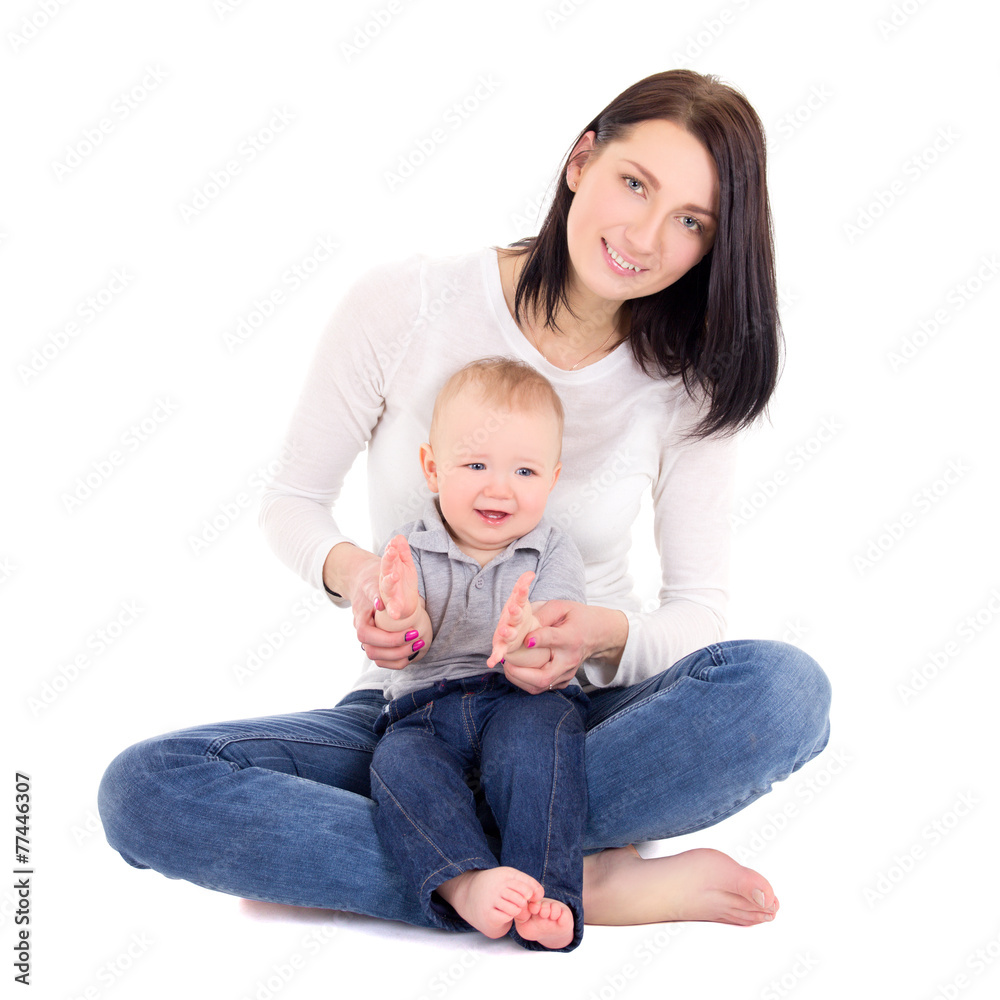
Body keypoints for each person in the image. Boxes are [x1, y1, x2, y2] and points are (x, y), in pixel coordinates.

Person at [98, 69, 832, 934]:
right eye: (635, 183)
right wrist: (365, 580)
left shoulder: (687, 387)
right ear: (581, 159)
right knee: (148, 789)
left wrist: (595, 633)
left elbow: (699, 615)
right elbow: (292, 503)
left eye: (691, 222)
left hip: (576, 716)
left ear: (713, 246)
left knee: (783, 690)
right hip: (407, 719)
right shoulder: (406, 303)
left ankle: (432, 867)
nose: (644, 234)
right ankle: (572, 877)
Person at [369, 356, 590, 952]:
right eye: (475, 465)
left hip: (520, 699)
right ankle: (465, 880)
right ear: (432, 469)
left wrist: (525, 633)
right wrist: (399, 610)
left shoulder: (550, 551)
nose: (500, 487)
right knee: (397, 766)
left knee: (541, 747)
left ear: (553, 479)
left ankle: (548, 893)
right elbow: (408, 628)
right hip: (424, 712)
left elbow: (554, 627)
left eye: (524, 470)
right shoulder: (410, 548)